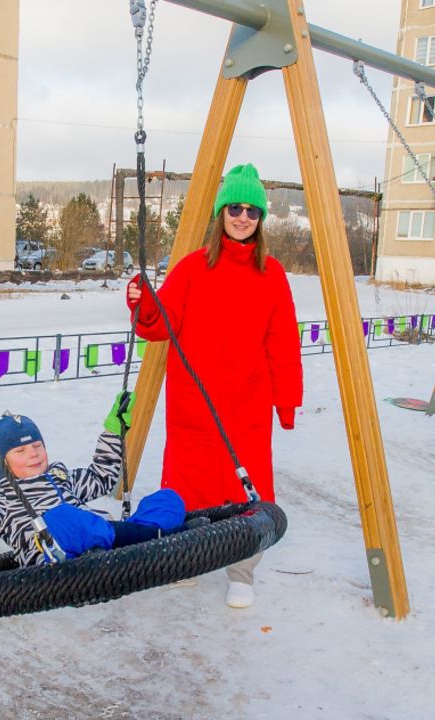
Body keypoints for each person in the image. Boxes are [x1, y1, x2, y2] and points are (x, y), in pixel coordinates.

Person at [125, 163, 303, 609]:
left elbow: (283, 340)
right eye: (236, 208)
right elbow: (159, 324)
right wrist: (144, 302)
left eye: (253, 211)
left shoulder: (273, 274)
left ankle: (241, 570)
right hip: (194, 399)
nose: (243, 217)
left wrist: (286, 400)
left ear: (261, 220)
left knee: (247, 483)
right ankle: (186, 557)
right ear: (221, 211)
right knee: (189, 479)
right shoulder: (191, 268)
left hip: (248, 400)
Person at [0, 393, 197, 565]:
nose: (33, 454)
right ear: (2, 461)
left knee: (167, 499)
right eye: (20, 451)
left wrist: (113, 431)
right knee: (62, 519)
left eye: (37, 446)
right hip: (54, 556)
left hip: (105, 536)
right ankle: (157, 539)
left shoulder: (60, 477)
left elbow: (102, 477)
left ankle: (144, 537)